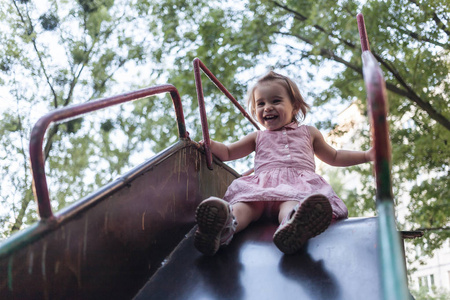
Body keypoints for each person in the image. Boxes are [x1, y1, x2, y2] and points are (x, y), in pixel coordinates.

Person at [194, 71, 374, 256]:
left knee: (292, 204)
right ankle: (220, 229)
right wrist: (211, 145)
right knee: (244, 207)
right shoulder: (257, 137)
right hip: (260, 190)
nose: (268, 107)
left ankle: (293, 227)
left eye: (276, 101)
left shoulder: (309, 133)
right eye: (261, 103)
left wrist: (367, 155)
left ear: (295, 107)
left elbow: (334, 156)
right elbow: (229, 152)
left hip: (295, 187)